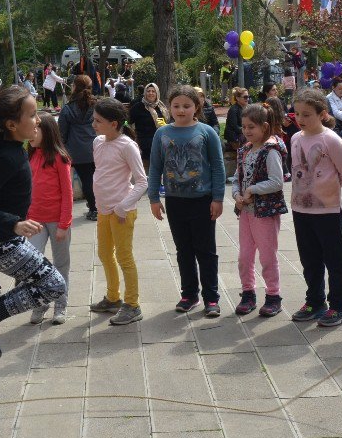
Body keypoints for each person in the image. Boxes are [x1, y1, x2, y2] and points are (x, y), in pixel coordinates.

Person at [0, 87, 68, 359]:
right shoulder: (7, 158)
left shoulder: (12, 148)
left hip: (3, 239)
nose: (38, 119)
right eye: (32, 115)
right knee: (53, 285)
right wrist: (14, 224)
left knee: (41, 282)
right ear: (11, 124)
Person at [148, 85, 225, 317]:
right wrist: (153, 197)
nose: (181, 110)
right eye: (176, 106)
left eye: (186, 106)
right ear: (169, 107)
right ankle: (189, 294)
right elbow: (155, 166)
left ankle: (211, 298)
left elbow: (218, 167)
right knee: (183, 250)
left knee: (206, 251)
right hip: (174, 201)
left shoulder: (206, 132)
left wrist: (218, 198)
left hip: (202, 201)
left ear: (196, 107)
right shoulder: (162, 134)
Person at [289, 89, 342, 328]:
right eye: (297, 113)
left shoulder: (331, 140)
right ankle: (315, 301)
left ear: (323, 114)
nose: (300, 118)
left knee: (334, 259)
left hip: (327, 211)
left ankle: (339, 305)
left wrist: (324, 191)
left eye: (306, 114)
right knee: (310, 258)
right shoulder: (296, 138)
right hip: (300, 209)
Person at [90, 98, 147, 325]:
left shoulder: (127, 146)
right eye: (93, 120)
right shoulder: (97, 142)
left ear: (114, 123)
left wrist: (123, 207)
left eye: (98, 121)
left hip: (122, 212)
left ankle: (132, 305)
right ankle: (113, 298)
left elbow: (142, 181)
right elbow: (104, 173)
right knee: (104, 254)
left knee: (124, 257)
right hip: (103, 210)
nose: (93, 124)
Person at [232, 103, 287, 318]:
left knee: (267, 256)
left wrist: (253, 190)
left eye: (251, 127)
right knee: (244, 256)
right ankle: (248, 293)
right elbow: (238, 177)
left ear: (264, 127)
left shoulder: (270, 150)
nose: (246, 131)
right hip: (246, 212)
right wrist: (236, 194)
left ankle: (273, 295)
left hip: (264, 212)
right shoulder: (245, 150)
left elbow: (277, 181)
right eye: (244, 127)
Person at [26, 113, 73, 325]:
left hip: (57, 221)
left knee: (61, 264)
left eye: (35, 129)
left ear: (47, 131)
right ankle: (40, 303)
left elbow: (68, 194)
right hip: (35, 221)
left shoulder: (60, 158)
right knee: (34, 264)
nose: (31, 133)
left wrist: (64, 224)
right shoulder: (30, 156)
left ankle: (60, 305)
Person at [58, 75, 98, 221]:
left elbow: (62, 132)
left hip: (77, 150)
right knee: (97, 178)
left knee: (86, 179)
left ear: (75, 87)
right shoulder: (96, 105)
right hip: (96, 146)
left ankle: (94, 208)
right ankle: (98, 205)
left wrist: (63, 148)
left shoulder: (68, 108)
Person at [129, 82, 168, 168]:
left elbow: (169, 122)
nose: (151, 93)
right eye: (148, 91)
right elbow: (127, 122)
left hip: (161, 144)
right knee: (149, 173)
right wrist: (134, 138)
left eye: (153, 91)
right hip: (145, 146)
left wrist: (165, 125)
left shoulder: (161, 107)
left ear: (157, 93)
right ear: (145, 93)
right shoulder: (138, 107)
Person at [224, 87, 250, 151]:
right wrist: (248, 131)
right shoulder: (233, 109)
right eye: (245, 97)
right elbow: (235, 127)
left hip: (244, 133)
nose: (247, 99)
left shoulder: (248, 108)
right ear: (238, 98)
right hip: (235, 136)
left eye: (248, 97)